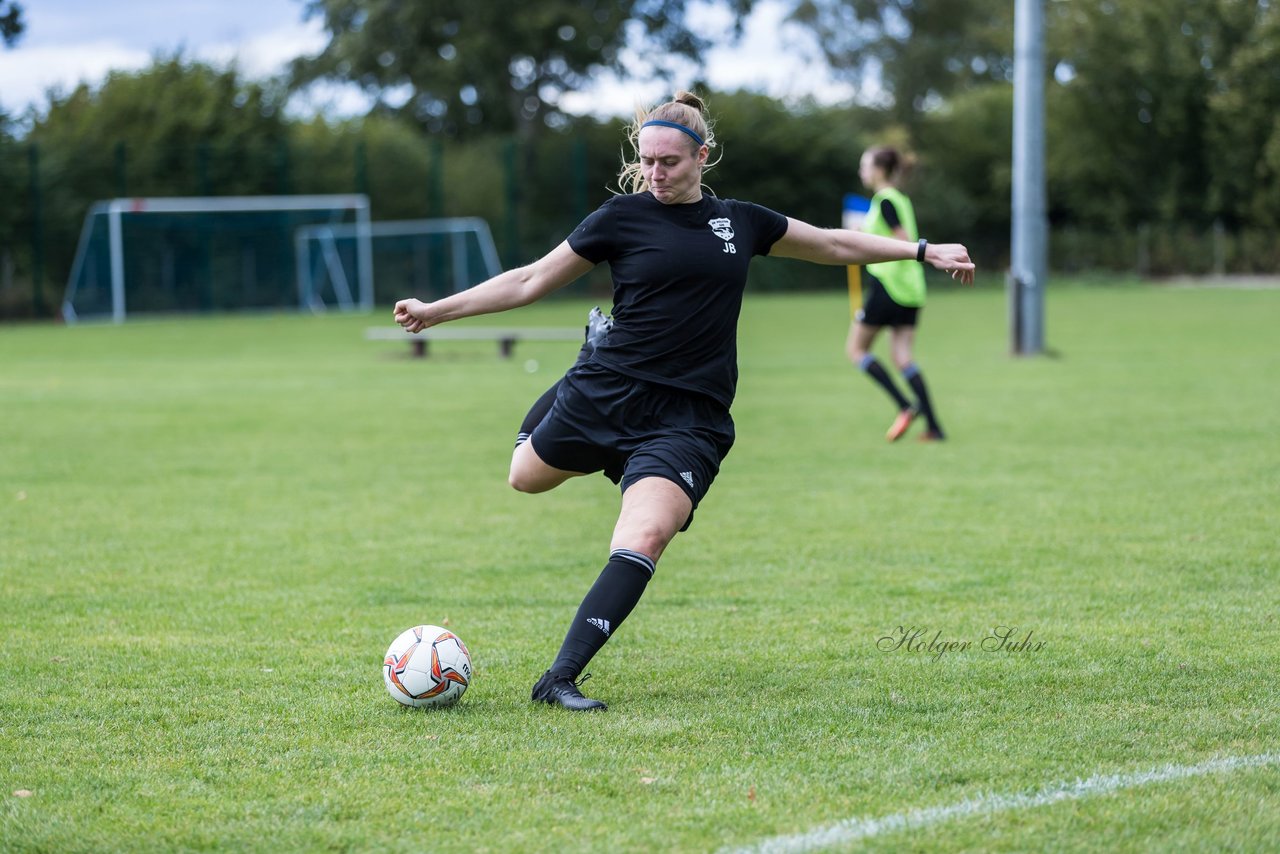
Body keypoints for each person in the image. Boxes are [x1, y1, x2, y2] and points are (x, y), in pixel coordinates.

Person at [394, 92, 974, 711]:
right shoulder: (620, 217)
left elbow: (833, 245)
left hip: (687, 419)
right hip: (606, 392)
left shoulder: (740, 222)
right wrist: (436, 311)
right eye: (646, 160)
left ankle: (558, 678)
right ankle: (588, 360)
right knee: (524, 477)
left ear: (702, 156)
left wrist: (921, 249)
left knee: (646, 533)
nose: (656, 173)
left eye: (669, 161)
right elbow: (530, 279)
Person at [846, 145, 957, 442]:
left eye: (865, 165)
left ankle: (905, 406)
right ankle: (934, 427)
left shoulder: (883, 200)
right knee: (903, 358)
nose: (862, 171)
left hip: (888, 285)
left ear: (880, 169)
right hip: (911, 289)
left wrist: (858, 235)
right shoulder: (900, 199)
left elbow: (903, 241)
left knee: (856, 350)